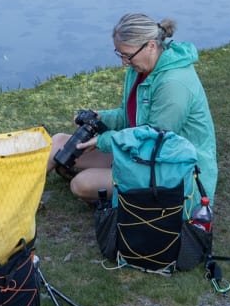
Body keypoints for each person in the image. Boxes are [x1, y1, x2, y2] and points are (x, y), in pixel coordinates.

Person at [47, 13, 218, 204]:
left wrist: (103, 141)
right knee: (56, 144)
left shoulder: (174, 84)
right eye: (120, 54)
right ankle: (22, 199)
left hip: (172, 167)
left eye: (128, 56)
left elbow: (155, 139)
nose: (124, 62)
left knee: (81, 184)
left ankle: (131, 198)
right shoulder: (140, 68)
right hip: (138, 152)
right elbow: (129, 116)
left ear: (151, 46)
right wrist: (101, 117)